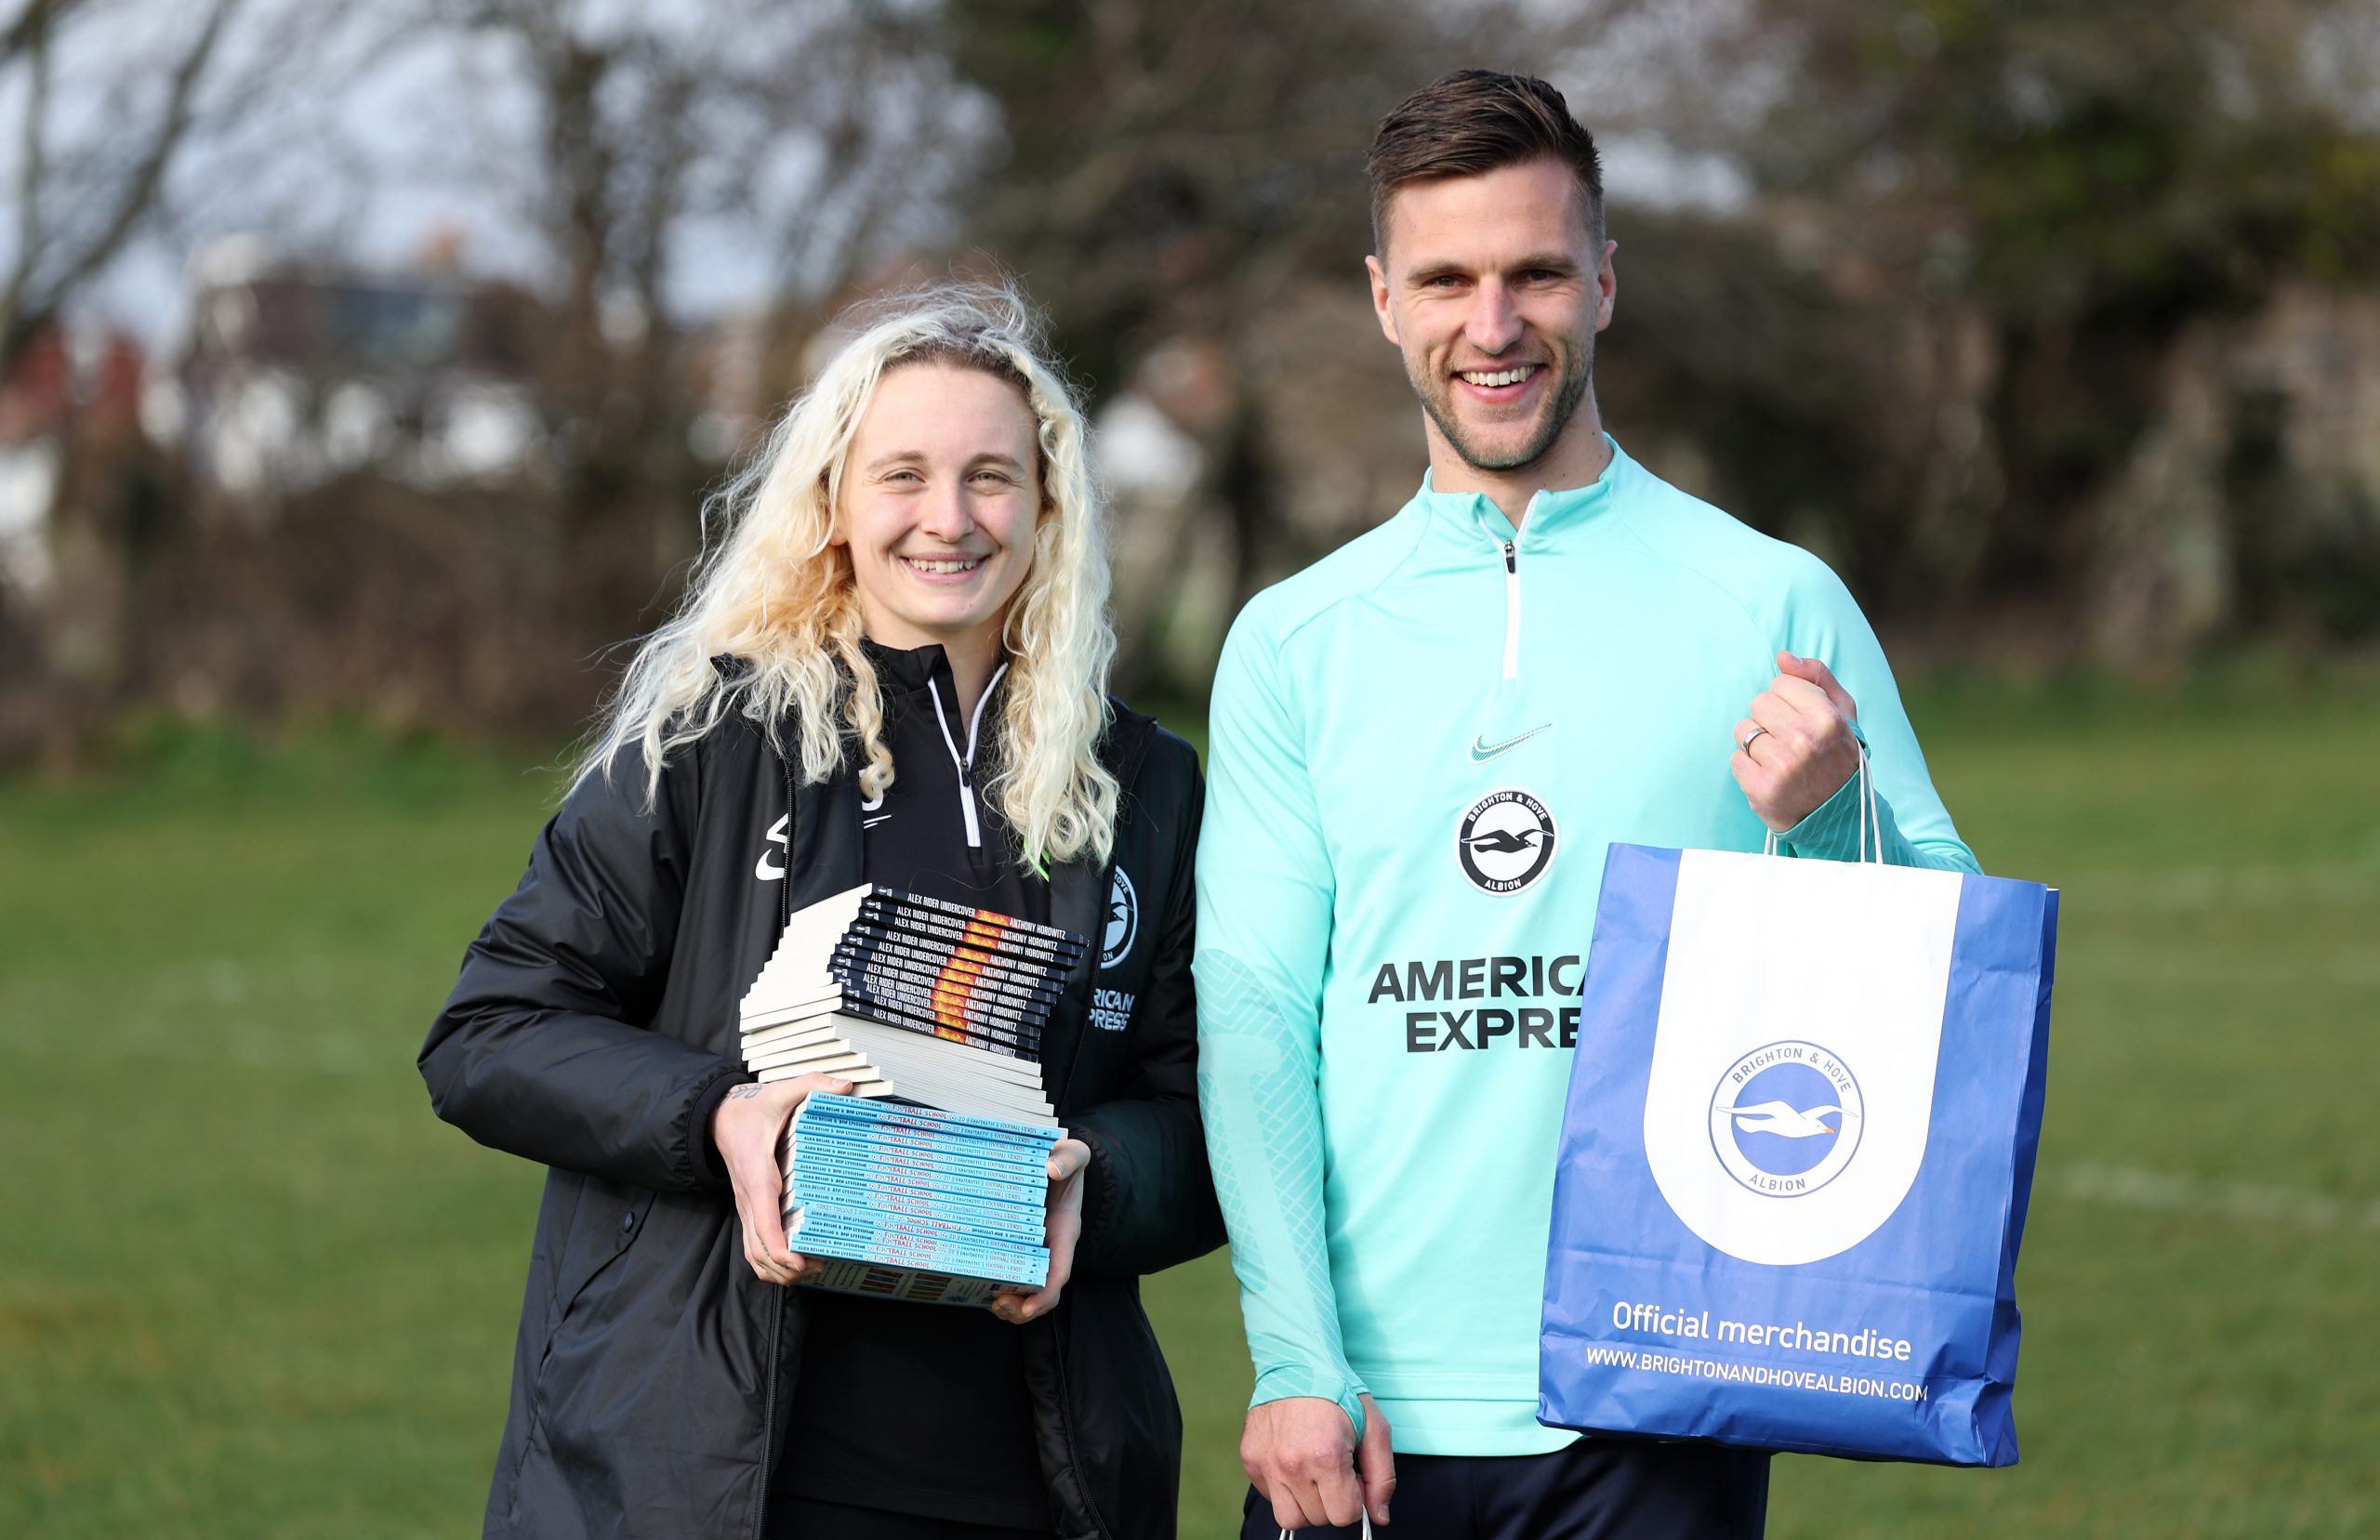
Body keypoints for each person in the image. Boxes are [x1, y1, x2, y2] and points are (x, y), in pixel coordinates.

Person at [1195, 70, 1980, 1539]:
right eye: (1446, 279)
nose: (1493, 326)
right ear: (1382, 298)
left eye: (1536, 272)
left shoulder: (1769, 597)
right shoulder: (1294, 639)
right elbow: (1252, 1016)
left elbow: (1945, 957)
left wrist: (1825, 813)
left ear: (1605, 282)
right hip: (1360, 1417)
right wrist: (1297, 1356)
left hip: (1661, 1383)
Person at [420, 283, 1222, 1540]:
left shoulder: (1149, 784)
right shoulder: (711, 738)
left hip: (1035, 1474)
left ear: (1050, 506)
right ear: (833, 501)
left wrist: (1095, 1183)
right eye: (902, 474)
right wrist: (719, 1117)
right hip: (716, 1470)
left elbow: (1201, 1112)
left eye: (991, 478)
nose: (947, 519)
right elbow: (492, 1032)